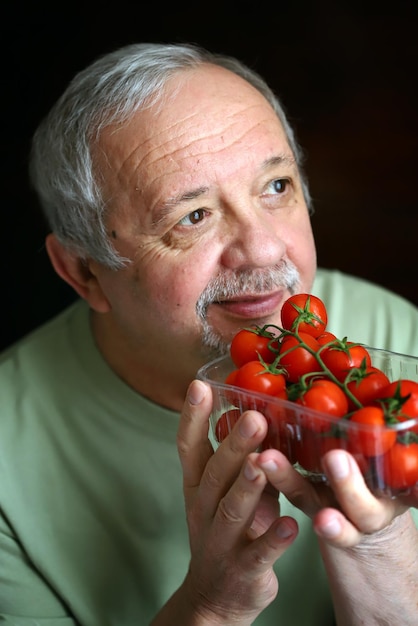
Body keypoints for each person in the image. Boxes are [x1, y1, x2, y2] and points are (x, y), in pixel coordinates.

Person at [1, 41, 417, 626]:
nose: (266, 248)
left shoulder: (400, 342)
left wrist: (378, 548)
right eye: (192, 217)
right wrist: (211, 607)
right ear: (84, 271)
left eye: (276, 186)